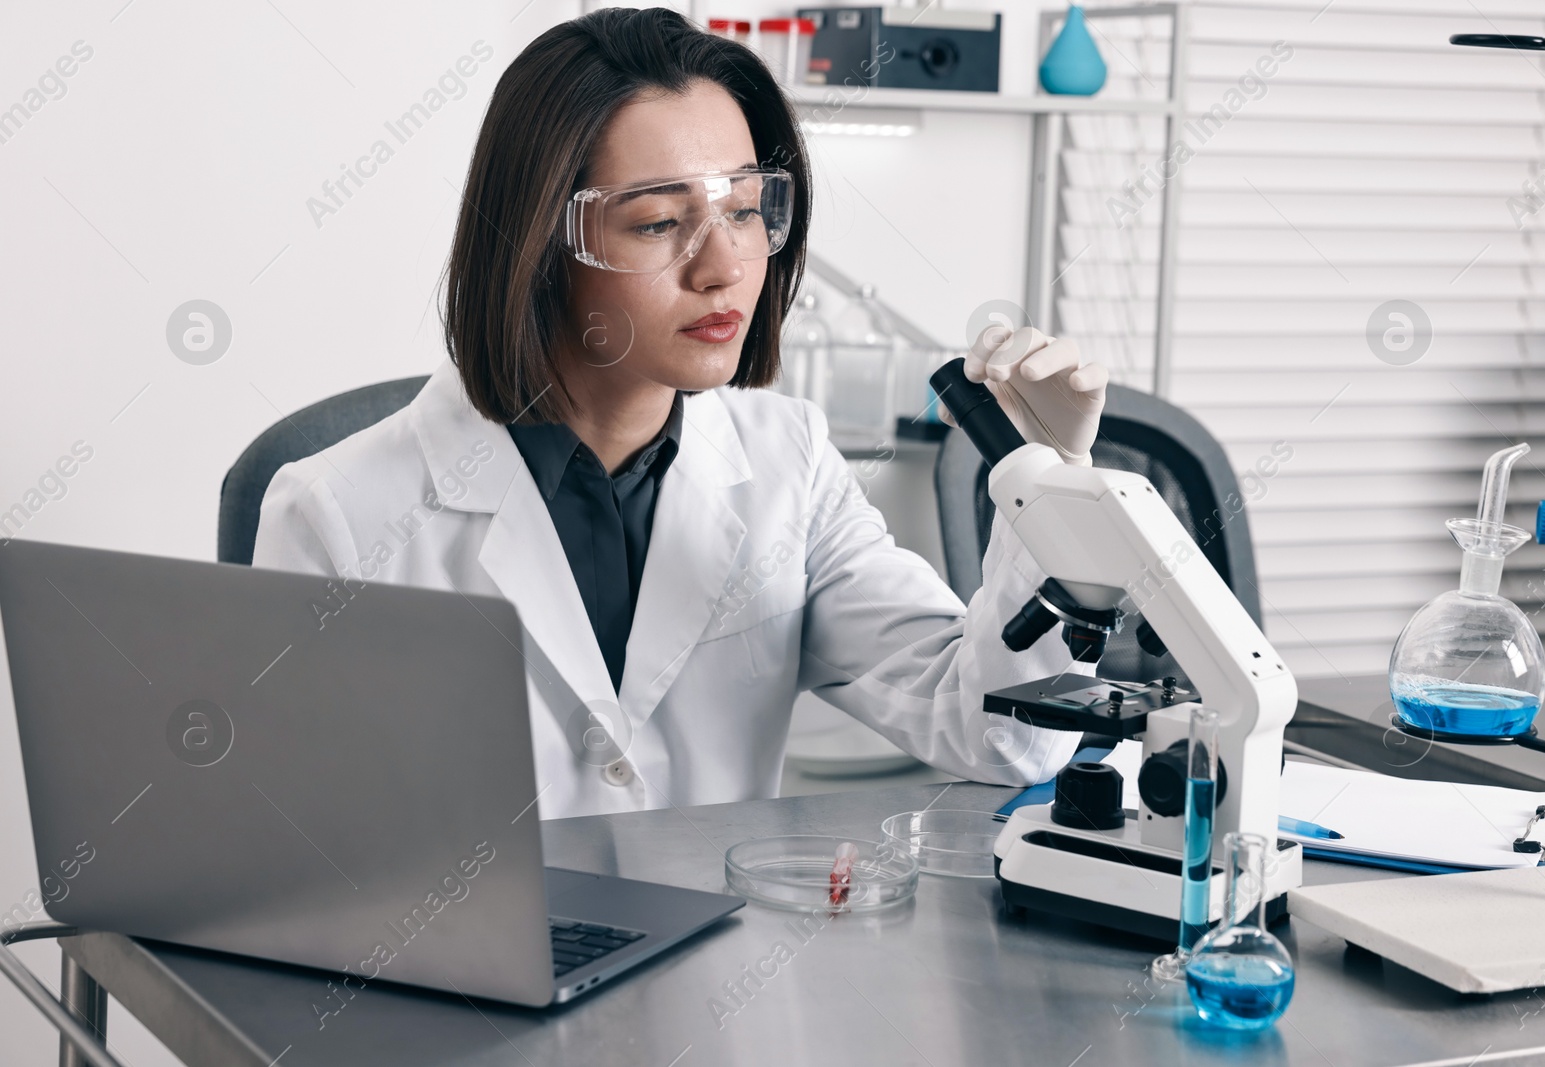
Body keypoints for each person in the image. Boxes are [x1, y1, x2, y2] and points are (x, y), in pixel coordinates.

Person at [254, 7, 1110, 820]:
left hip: (721, 970)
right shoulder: (336, 510)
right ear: (539, 246)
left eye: (745, 210)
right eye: (661, 222)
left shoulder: (792, 467)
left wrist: (1047, 493)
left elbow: (1000, 734)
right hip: (467, 975)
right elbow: (299, 862)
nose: (724, 265)